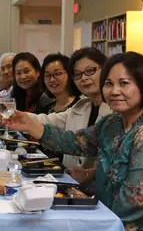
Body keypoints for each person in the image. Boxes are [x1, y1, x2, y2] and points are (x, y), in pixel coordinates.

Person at [5, 52, 143, 230]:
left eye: (124, 83)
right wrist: (29, 125)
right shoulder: (112, 123)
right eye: (109, 84)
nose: (114, 91)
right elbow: (75, 142)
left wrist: (92, 223)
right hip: (102, 215)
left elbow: (135, 203)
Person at [23, 47, 112, 183]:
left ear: (105, 70)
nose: (84, 78)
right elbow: (47, 120)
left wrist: (89, 174)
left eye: (90, 71)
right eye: (77, 74)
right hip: (71, 181)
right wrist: (13, 114)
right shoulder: (82, 106)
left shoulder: (117, 112)